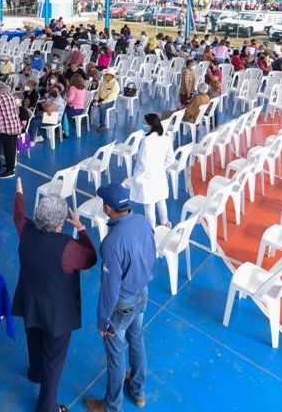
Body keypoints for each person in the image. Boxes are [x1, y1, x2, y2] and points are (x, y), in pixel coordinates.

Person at [12, 181, 97, 412]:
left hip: (30, 302)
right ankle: (47, 407)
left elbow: (18, 215)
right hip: (56, 313)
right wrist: (81, 229)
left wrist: (19, 192)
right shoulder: (67, 247)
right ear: (60, 223)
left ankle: (34, 371)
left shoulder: (26, 231)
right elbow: (90, 258)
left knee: (34, 339)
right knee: (54, 361)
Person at [84, 183, 156, 412]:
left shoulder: (111, 243)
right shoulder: (143, 222)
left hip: (122, 304)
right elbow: (152, 254)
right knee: (137, 340)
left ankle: (112, 406)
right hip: (142, 293)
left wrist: (103, 321)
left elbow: (110, 289)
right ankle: (138, 391)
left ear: (107, 208)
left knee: (115, 355)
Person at [126, 113, 174, 229]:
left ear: (150, 126)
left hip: (147, 177)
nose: (143, 125)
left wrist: (137, 178)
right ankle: (165, 223)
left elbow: (143, 163)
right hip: (159, 174)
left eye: (144, 123)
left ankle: (151, 229)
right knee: (160, 199)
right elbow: (171, 159)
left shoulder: (146, 142)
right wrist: (161, 168)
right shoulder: (166, 138)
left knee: (149, 205)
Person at [0, 84, 21, 178]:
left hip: (6, 127)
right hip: (15, 125)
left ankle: (10, 171)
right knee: (12, 147)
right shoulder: (11, 96)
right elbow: (17, 111)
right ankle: (10, 165)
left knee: (8, 149)